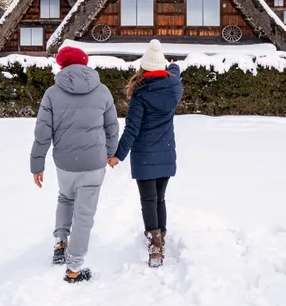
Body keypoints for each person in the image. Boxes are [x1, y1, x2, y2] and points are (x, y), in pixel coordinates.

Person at [30, 44, 119, 284]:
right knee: (84, 214)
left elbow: (42, 132)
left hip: (65, 162)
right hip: (93, 163)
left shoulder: (52, 93)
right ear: (85, 63)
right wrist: (111, 153)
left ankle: (61, 241)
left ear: (61, 65)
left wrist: (37, 165)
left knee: (65, 198)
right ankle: (74, 269)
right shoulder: (102, 91)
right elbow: (112, 127)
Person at [108, 39, 183, 268]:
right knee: (159, 199)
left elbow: (132, 129)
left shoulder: (140, 95)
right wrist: (171, 65)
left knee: (148, 200)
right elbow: (175, 70)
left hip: (145, 156)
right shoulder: (174, 87)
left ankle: (155, 246)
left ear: (144, 68)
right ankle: (161, 240)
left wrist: (117, 155)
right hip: (166, 153)